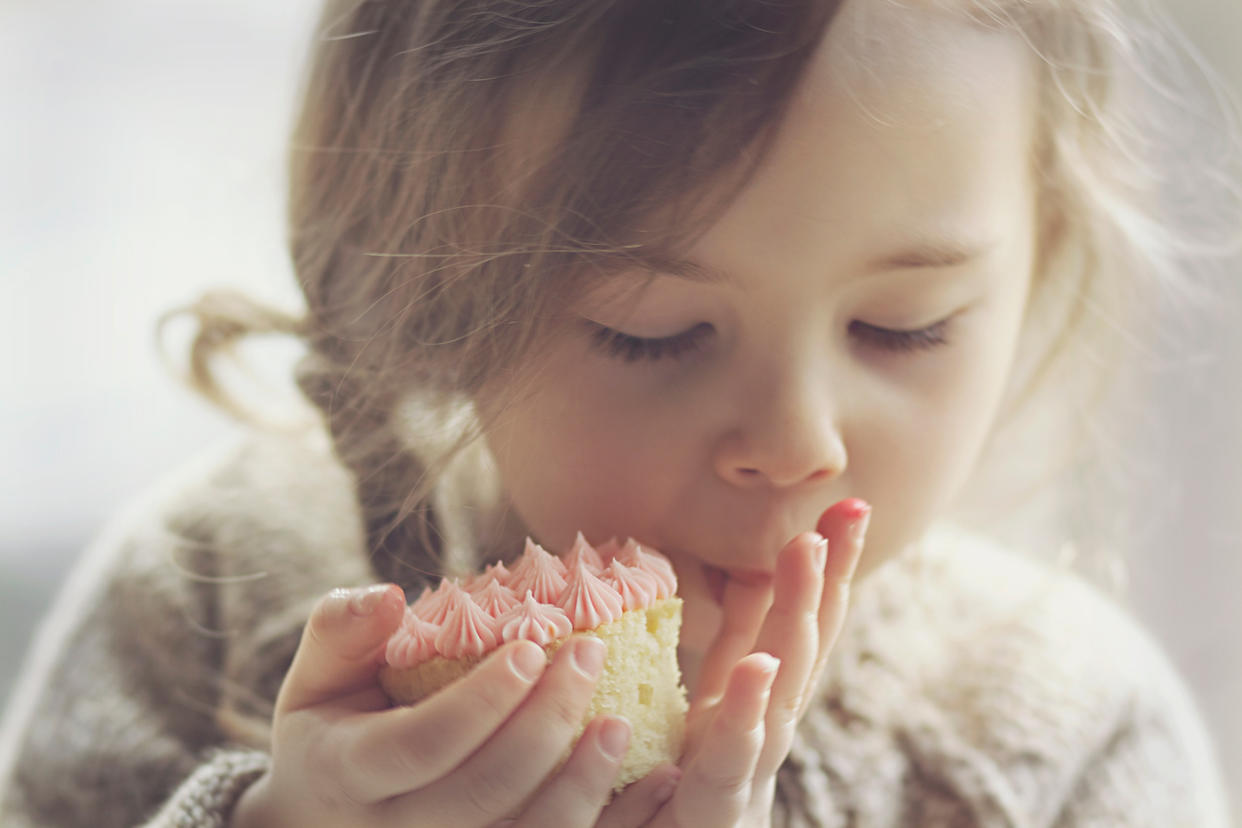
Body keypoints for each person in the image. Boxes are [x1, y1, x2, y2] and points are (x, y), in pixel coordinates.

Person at [0, 0, 1235, 825]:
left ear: (1040, 254)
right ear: (427, 278)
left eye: (903, 326)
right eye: (653, 332)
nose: (800, 442)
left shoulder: (1070, 741)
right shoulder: (212, 596)